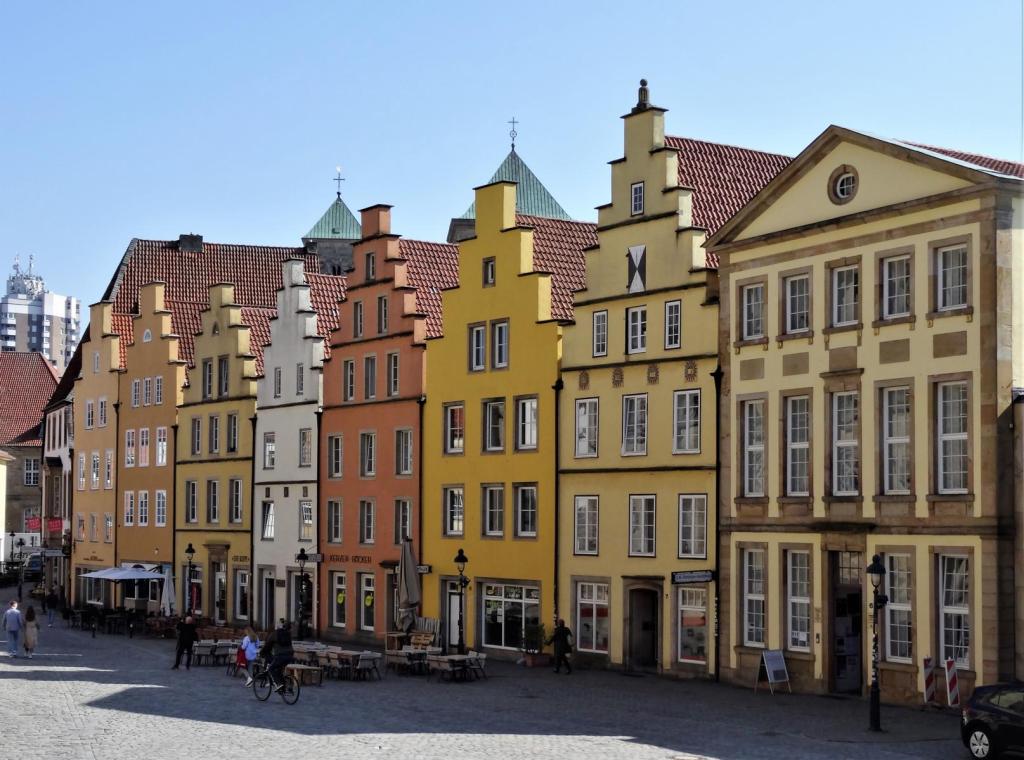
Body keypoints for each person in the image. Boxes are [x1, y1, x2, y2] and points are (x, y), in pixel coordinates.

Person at [259, 619, 294, 691]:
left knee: (271, 668)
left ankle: (279, 684)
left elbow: (267, 646)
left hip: (280, 656)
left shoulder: (274, 634)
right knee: (278, 669)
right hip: (290, 655)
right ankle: (285, 687)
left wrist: (261, 653)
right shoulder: (287, 634)